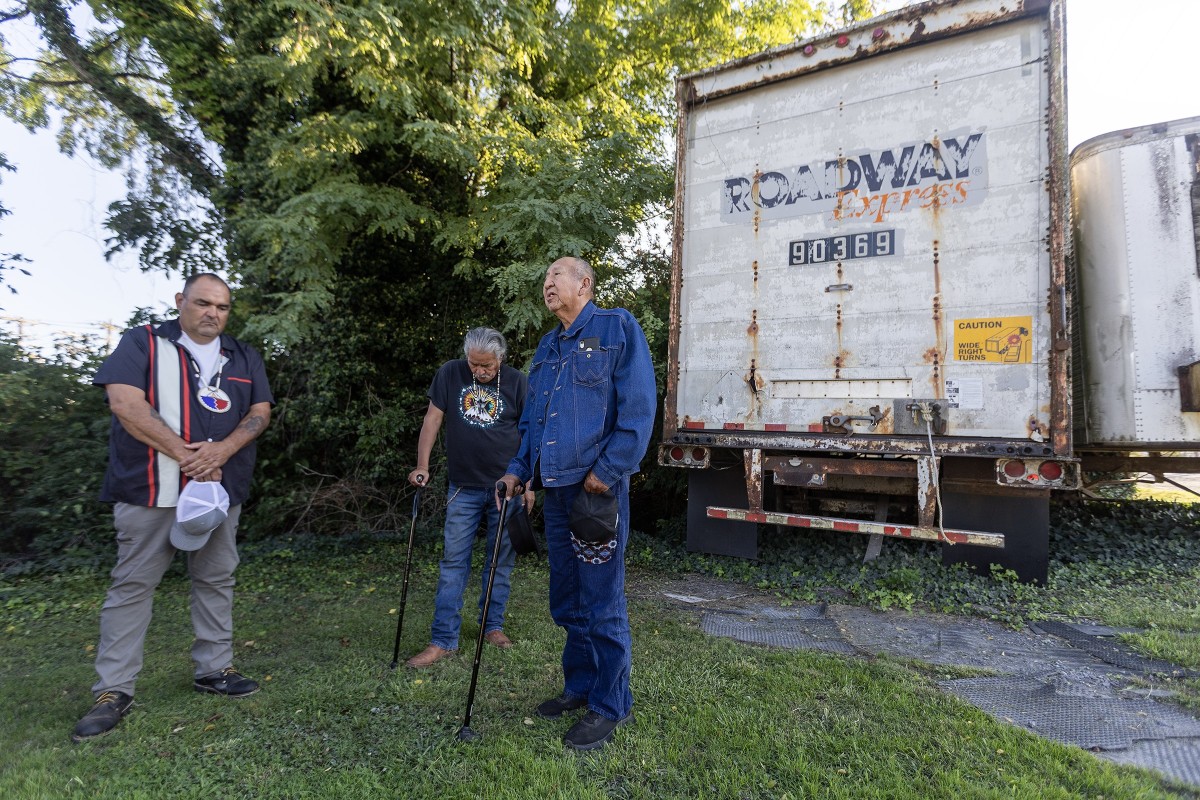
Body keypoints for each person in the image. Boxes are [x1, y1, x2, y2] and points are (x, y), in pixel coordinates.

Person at [72, 273, 273, 743]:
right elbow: (124, 403)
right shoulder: (142, 342)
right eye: (203, 303)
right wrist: (187, 456)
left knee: (216, 577)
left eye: (222, 307)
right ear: (180, 300)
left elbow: (259, 412)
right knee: (133, 585)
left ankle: (214, 669)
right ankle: (113, 692)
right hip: (149, 489)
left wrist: (221, 452)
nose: (213, 314)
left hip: (219, 491)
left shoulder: (242, 355)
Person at [499, 256, 656, 751]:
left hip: (596, 496)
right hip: (558, 491)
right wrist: (517, 471)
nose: (547, 284)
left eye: (556, 276)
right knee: (567, 598)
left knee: (602, 601)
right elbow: (532, 425)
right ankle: (581, 687)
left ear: (584, 283)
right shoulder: (547, 348)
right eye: (544, 279)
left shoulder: (616, 328)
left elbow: (639, 409)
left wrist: (605, 474)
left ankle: (611, 705)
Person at [405, 327, 535, 668]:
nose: (479, 372)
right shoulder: (450, 373)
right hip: (462, 487)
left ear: (500, 359)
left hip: (506, 490)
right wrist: (422, 464)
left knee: (500, 563)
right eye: (474, 365)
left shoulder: (518, 382)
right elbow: (433, 419)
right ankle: (443, 639)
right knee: (452, 564)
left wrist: (529, 484)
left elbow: (530, 434)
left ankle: (491, 627)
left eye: (487, 366)